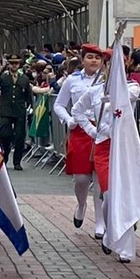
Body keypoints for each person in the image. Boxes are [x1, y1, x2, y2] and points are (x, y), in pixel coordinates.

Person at [70, 51, 140, 261]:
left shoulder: (132, 87)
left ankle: (126, 247)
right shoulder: (94, 92)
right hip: (104, 148)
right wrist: (92, 131)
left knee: (124, 196)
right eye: (109, 65)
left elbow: (125, 99)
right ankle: (110, 229)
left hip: (125, 148)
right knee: (109, 196)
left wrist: (109, 97)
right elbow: (77, 111)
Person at [53, 43, 105, 236]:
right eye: (90, 57)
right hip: (80, 131)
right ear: (82, 60)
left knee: (100, 179)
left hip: (101, 131)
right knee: (82, 178)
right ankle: (81, 204)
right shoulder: (72, 81)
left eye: (98, 58)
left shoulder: (106, 81)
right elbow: (59, 104)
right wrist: (68, 120)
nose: (94, 61)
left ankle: (100, 222)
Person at [0, 54, 33, 171]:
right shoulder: (4, 77)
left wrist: (30, 107)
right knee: (5, 135)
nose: (14, 65)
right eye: (12, 63)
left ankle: (17, 162)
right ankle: (5, 156)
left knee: (20, 137)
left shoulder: (24, 79)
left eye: (16, 63)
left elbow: (28, 95)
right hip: (6, 110)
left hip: (19, 111)